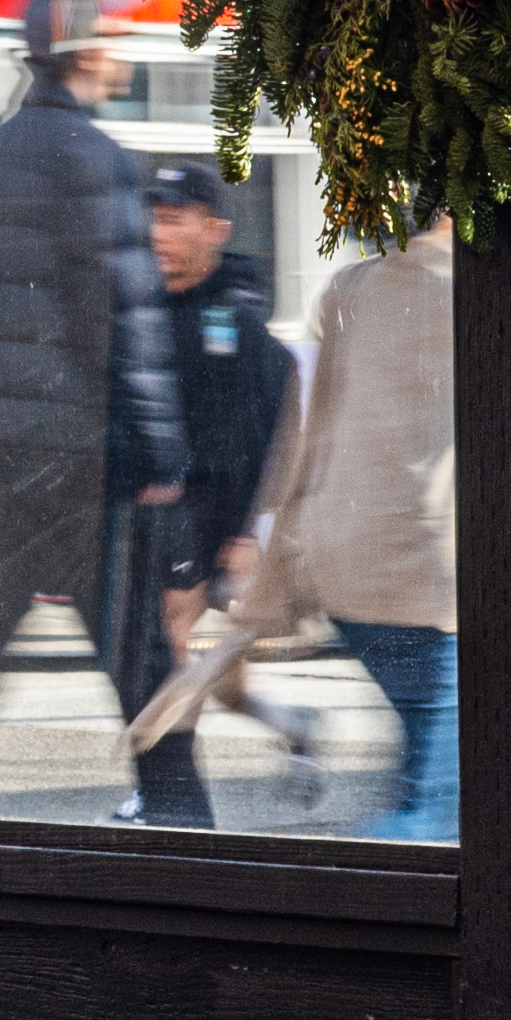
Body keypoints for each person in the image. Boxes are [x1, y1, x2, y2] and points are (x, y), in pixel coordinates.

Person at [0, 0, 202, 818]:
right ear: (89, 52)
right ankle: (184, 822)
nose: (124, 53)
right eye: (118, 39)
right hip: (71, 455)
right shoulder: (92, 156)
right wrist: (162, 453)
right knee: (137, 650)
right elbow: (126, 320)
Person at [245, 224, 457, 836]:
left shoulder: (350, 286)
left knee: (441, 769)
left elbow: (307, 436)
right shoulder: (476, 293)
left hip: (346, 561)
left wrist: (279, 569)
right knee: (441, 806)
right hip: (423, 574)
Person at [144, 158, 305, 764]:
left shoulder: (237, 319)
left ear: (215, 229)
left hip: (213, 514)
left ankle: (164, 793)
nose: (160, 233)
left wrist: (247, 532)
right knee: (222, 682)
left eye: (176, 219)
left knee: (171, 650)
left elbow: (271, 435)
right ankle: (294, 723)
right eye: (156, 219)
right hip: (167, 508)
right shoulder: (148, 305)